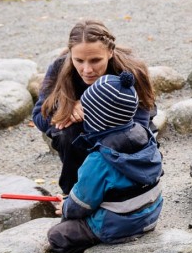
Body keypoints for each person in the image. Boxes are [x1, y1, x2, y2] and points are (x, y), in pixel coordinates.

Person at [46, 71, 163, 253]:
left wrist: (67, 205)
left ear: (96, 119)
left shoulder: (99, 159)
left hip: (117, 224)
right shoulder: (144, 135)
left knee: (57, 236)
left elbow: (81, 204)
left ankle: (89, 250)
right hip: (150, 216)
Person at [33, 20, 156, 195]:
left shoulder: (131, 70)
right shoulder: (59, 67)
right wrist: (66, 109)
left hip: (124, 129)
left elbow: (139, 129)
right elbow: (38, 116)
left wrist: (91, 108)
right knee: (66, 134)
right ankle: (73, 194)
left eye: (96, 60)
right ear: (70, 54)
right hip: (79, 132)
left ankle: (121, 190)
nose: (87, 69)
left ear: (110, 52)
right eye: (79, 60)